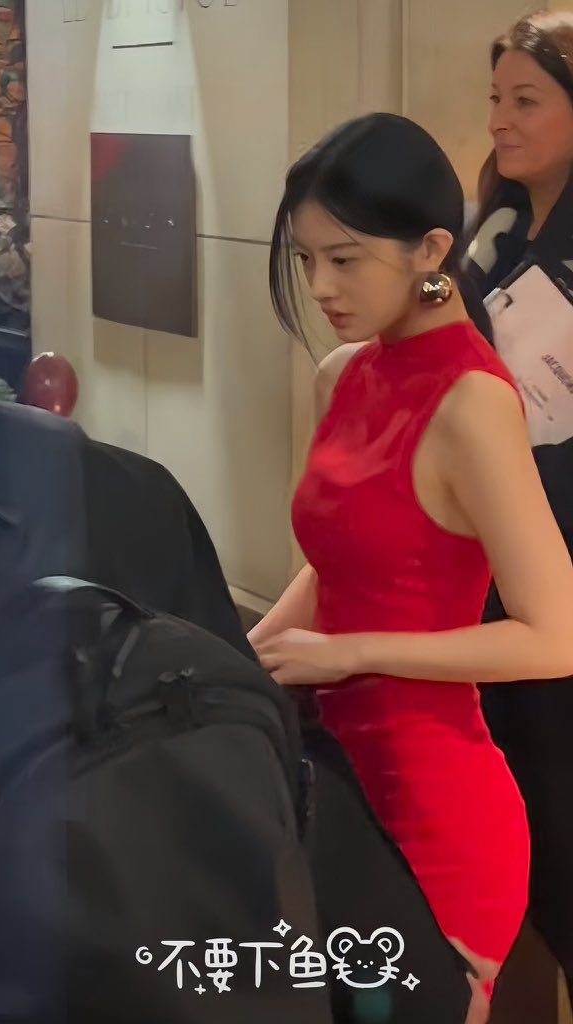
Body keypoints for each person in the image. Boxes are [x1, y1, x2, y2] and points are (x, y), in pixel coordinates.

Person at [248, 112, 573, 1018]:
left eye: (345, 259)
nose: (320, 286)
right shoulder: (345, 375)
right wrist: (247, 656)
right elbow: (340, 563)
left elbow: (555, 635)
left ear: (431, 250)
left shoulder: (472, 403)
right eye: (306, 259)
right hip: (327, 782)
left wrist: (348, 654)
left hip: (435, 819)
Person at [467, 9, 573, 1002]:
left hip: (561, 570)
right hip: (487, 563)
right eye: (495, 98)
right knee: (511, 830)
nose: (500, 119)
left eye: (526, 100)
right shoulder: (487, 236)